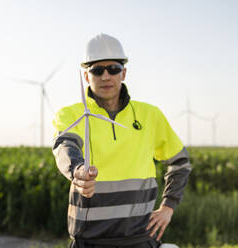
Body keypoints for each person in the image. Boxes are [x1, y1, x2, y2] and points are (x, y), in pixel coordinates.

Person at [52, 33, 191, 248]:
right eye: (97, 70)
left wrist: (168, 207)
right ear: (86, 76)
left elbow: (180, 163)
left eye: (113, 69)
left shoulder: (150, 115)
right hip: (89, 242)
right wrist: (77, 171)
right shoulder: (70, 115)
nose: (106, 76)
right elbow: (65, 146)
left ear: (123, 73)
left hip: (140, 240)